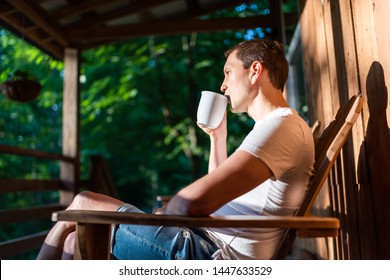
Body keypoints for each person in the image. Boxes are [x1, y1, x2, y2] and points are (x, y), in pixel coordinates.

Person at [37, 38, 314, 260]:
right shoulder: (276, 127)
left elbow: (195, 203)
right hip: (207, 241)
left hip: (211, 256)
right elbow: (220, 197)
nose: (223, 85)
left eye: (228, 72)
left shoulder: (280, 127)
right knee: (75, 240)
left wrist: (161, 216)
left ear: (255, 70)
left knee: (84, 201)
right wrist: (217, 137)